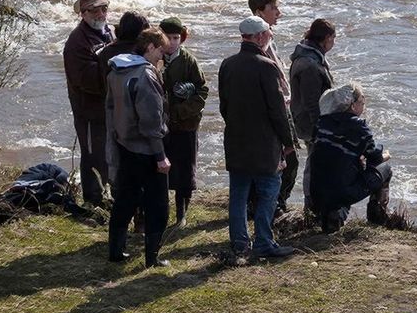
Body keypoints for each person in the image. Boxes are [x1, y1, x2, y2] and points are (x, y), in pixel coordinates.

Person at [218, 16, 295, 258]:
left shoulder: (227, 64)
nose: (270, 37)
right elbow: (277, 111)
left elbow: (224, 106)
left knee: (238, 194)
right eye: (269, 34)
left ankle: (239, 243)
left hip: (236, 140)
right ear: (260, 36)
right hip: (264, 143)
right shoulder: (266, 66)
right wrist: (288, 141)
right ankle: (263, 241)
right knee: (270, 189)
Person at [105, 28, 171, 267]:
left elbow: (110, 110)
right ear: (150, 47)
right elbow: (152, 120)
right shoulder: (146, 76)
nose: (161, 57)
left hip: (124, 145)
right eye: (160, 51)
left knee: (125, 199)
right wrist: (161, 156)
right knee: (158, 206)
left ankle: (115, 252)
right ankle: (152, 259)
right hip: (147, 150)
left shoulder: (117, 71)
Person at [309, 83, 392, 233]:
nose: (364, 105)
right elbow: (374, 158)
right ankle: (377, 219)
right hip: (342, 190)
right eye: (362, 101)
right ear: (352, 106)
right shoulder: (358, 127)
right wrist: (385, 155)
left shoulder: (322, 123)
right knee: (385, 169)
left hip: (316, 190)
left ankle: (332, 218)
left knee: (340, 171)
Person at [248, 0, 299, 215]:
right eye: (273, 8)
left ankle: (269, 203)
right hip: (274, 110)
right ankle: (274, 204)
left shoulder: (268, 39)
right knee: (288, 159)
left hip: (280, 106)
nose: (279, 13)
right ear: (259, 12)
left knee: (283, 159)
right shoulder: (260, 42)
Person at [63, 0, 114, 207]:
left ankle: (106, 195)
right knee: (92, 153)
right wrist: (113, 69)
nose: (101, 14)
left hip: (107, 108)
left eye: (104, 8)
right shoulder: (77, 42)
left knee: (107, 153)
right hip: (88, 110)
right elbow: (86, 79)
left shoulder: (107, 32)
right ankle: (92, 201)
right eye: (95, 10)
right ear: (83, 14)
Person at [159, 17, 208, 228]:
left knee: (185, 173)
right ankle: (159, 214)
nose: (172, 42)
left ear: (182, 38)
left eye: (176, 38)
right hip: (159, 127)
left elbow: (202, 91)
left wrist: (179, 112)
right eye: (168, 37)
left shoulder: (189, 61)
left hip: (185, 125)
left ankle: (181, 216)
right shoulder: (155, 58)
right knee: (159, 172)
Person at [289, 18, 336, 210]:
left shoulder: (309, 55)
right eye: (333, 38)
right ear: (325, 39)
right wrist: (320, 128)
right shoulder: (309, 65)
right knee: (315, 163)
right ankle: (312, 206)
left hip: (305, 119)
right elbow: (311, 102)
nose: (334, 43)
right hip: (311, 123)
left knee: (316, 162)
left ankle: (315, 204)